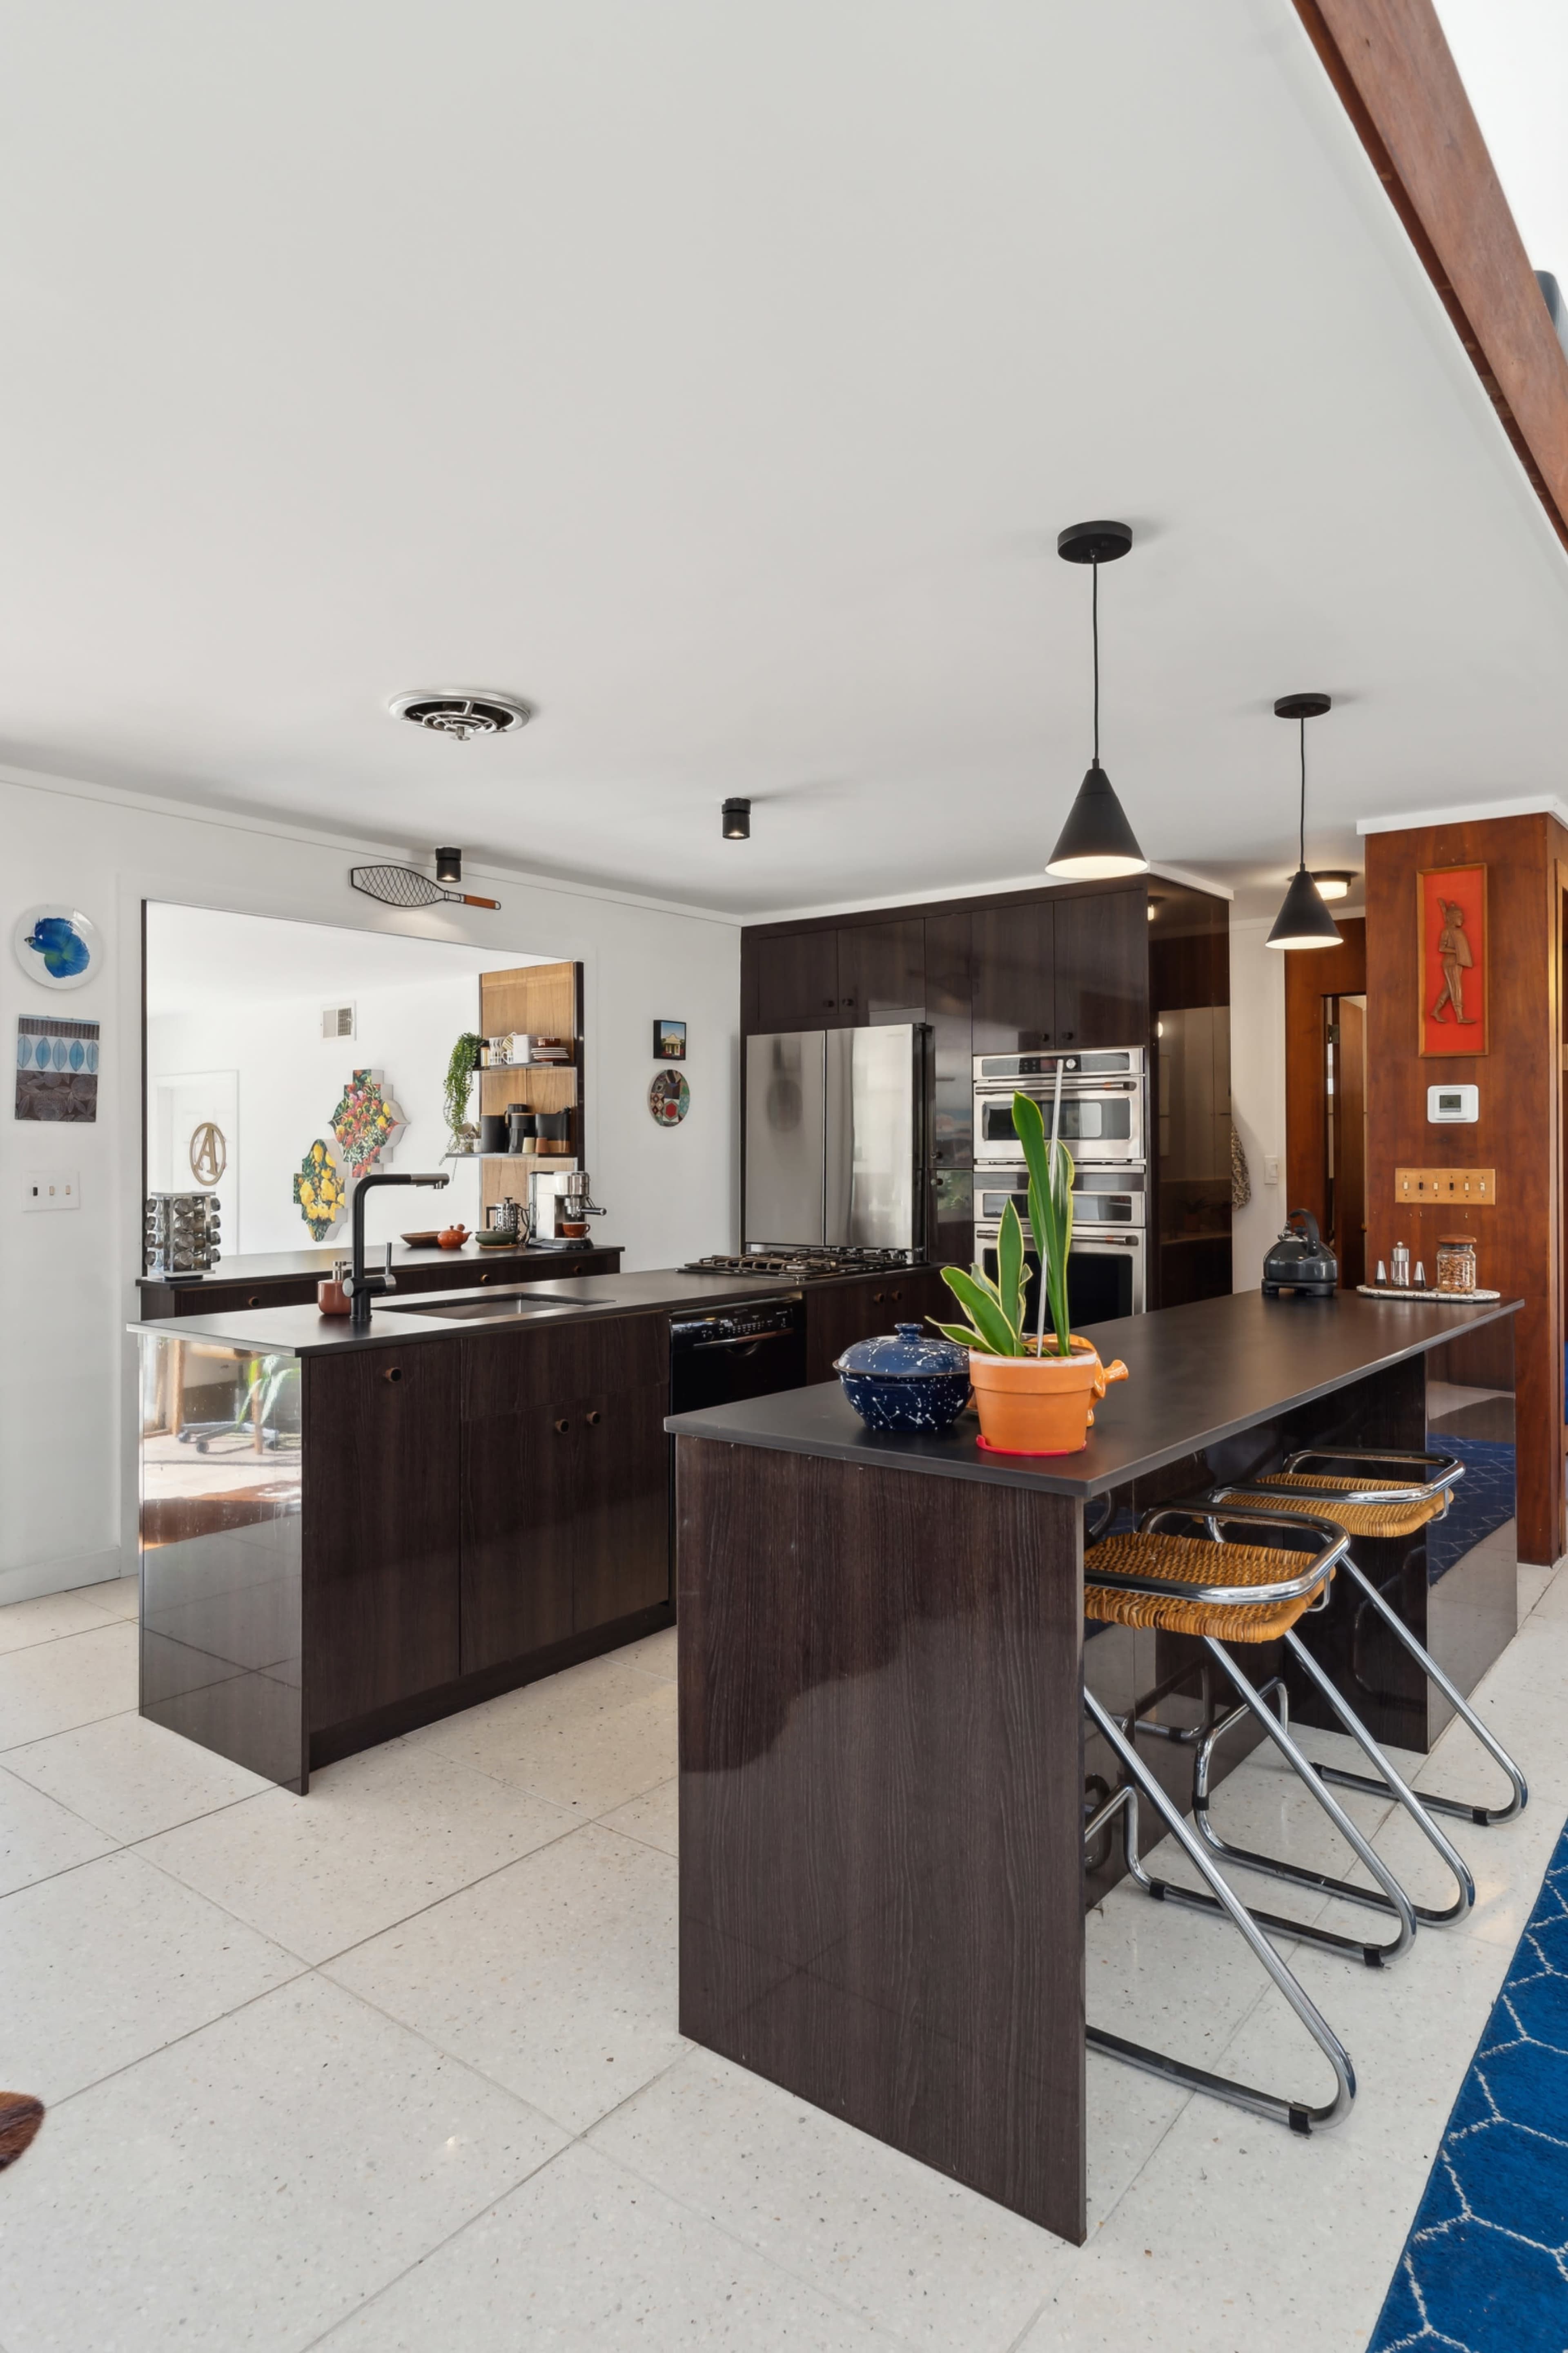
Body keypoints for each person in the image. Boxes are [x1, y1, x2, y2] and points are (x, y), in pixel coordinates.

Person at [1430, 898, 1476, 1024]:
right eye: (1459, 917)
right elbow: (1441, 948)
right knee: (1456, 988)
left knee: (1449, 989)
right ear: (1452, 918)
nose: (1462, 919)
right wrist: (1456, 952)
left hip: (1458, 962)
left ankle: (1435, 1011)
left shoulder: (1458, 932)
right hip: (1451, 962)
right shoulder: (1447, 931)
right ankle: (1460, 1017)